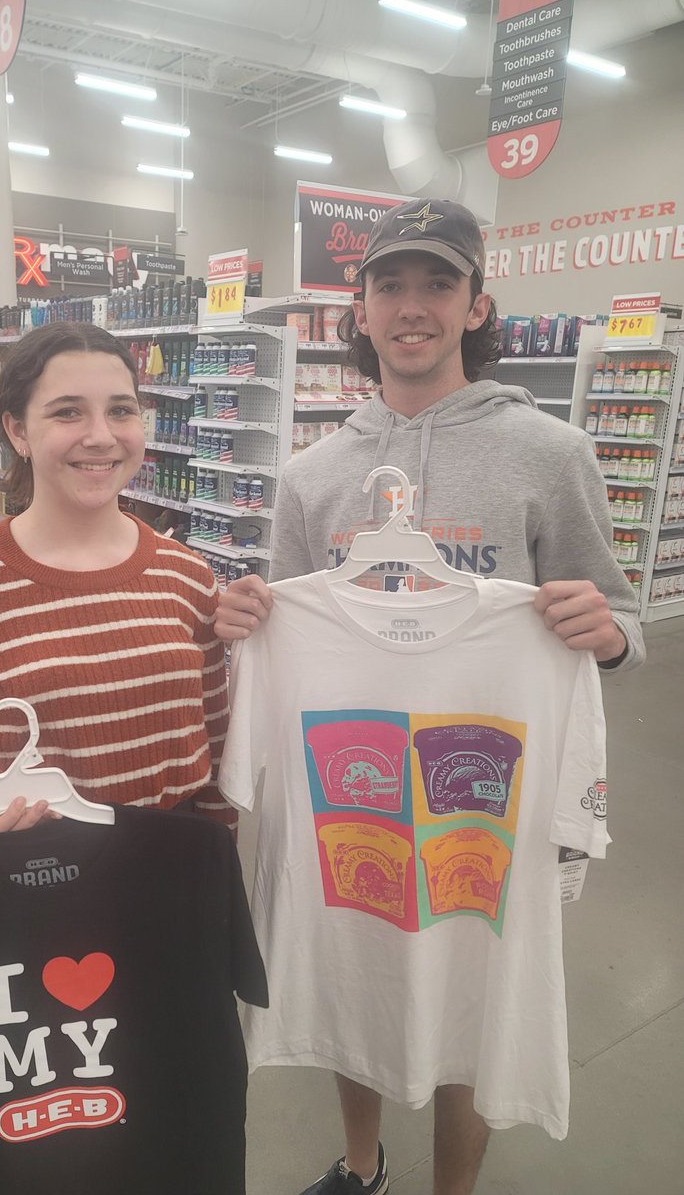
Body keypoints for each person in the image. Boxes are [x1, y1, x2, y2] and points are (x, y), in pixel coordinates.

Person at [215, 198, 644, 1195]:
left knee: (472, 987)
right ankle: (362, 1164)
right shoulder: (311, 474)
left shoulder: (552, 453)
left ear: (476, 304)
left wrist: (611, 634)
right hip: (349, 777)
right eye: (390, 287)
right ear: (355, 315)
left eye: (437, 285)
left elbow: (620, 621)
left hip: (485, 777)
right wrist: (242, 620)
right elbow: (280, 612)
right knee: (350, 959)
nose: (413, 307)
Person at [0, 320, 233, 833]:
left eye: (120, 410)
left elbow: (215, 743)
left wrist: (220, 852)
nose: (101, 436)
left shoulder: (187, 575)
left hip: (177, 870)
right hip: (37, 875)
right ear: (18, 430)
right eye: (68, 412)